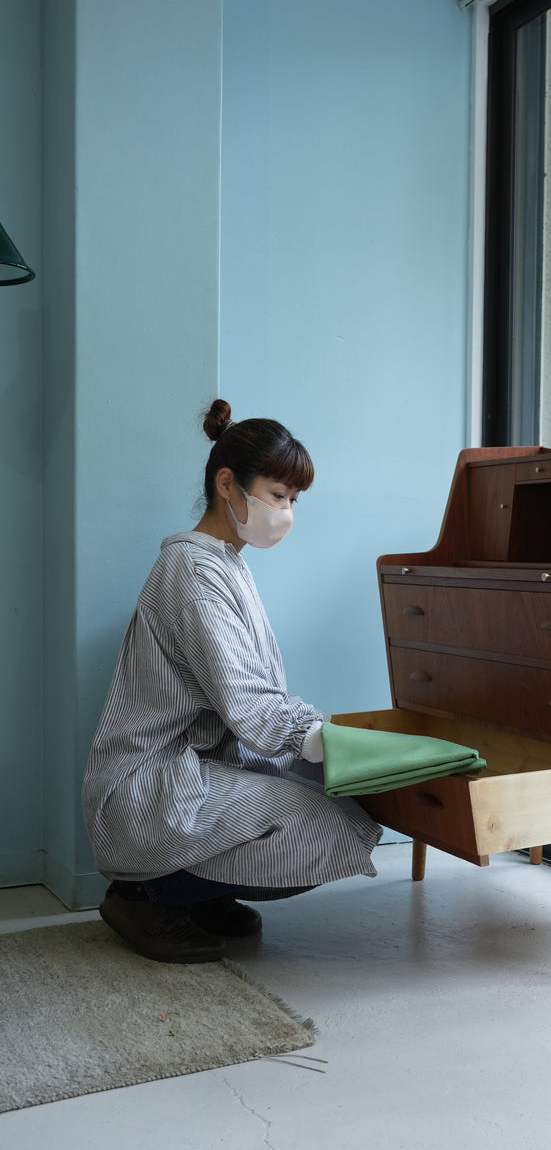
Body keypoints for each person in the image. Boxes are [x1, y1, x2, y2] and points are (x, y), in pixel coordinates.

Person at [83, 399, 381, 964]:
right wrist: (331, 740)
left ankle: (200, 895)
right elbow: (248, 702)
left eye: (294, 500)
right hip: (149, 784)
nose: (287, 512)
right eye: (277, 495)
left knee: (343, 805)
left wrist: (323, 743)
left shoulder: (224, 563)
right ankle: (143, 894)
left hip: (195, 769)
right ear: (228, 483)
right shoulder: (194, 570)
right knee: (330, 826)